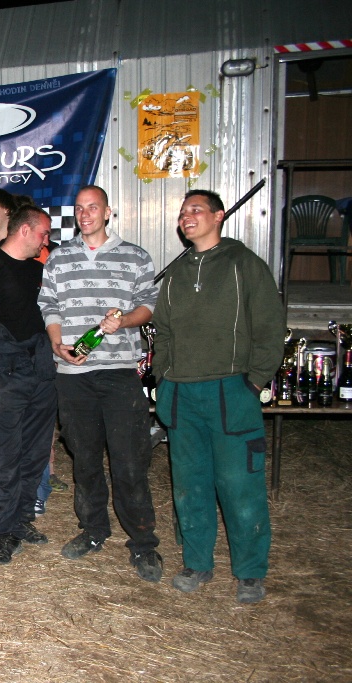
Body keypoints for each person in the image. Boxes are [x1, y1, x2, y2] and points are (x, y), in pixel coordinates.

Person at [152, 189, 285, 604]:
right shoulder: (176, 272)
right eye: (183, 212)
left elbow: (270, 327)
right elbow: (163, 332)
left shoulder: (244, 264)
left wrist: (254, 382)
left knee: (240, 485)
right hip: (181, 392)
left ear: (219, 216)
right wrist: (163, 377)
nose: (186, 217)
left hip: (230, 391)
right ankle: (197, 563)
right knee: (189, 484)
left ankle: (250, 572)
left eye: (196, 209)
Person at [38, 185, 162, 582]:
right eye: (79, 208)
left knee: (129, 461)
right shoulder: (59, 258)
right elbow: (49, 305)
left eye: (93, 207)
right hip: (73, 375)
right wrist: (57, 344)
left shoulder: (135, 256)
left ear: (108, 212)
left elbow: (148, 305)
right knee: (85, 459)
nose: (85, 214)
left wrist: (123, 321)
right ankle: (93, 530)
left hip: (119, 372)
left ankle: (143, 543)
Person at [0, 205, 56, 565]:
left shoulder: (39, 269)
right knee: (2, 454)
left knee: (34, 452)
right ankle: (3, 532)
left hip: (41, 367)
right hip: (4, 366)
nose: (46, 241)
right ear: (25, 230)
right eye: (43, 233)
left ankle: (21, 520)